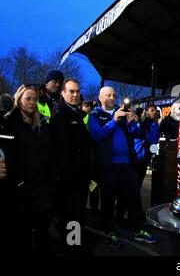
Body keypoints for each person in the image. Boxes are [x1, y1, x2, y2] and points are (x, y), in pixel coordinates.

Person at [89, 87, 159, 248]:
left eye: (114, 95)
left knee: (134, 198)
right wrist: (113, 120)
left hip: (127, 165)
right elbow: (96, 135)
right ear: (100, 98)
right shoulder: (95, 115)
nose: (112, 97)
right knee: (108, 201)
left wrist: (133, 122)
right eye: (108, 95)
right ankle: (109, 231)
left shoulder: (122, 114)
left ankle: (139, 230)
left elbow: (138, 134)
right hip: (108, 166)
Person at [1, 84, 56, 254]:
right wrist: (20, 181)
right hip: (20, 190)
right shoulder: (9, 124)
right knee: (21, 234)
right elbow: (7, 155)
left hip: (42, 188)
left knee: (42, 232)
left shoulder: (42, 125)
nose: (32, 102)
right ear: (19, 100)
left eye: (34, 99)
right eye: (28, 99)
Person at [49, 79, 92, 254]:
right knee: (71, 218)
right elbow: (60, 151)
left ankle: (74, 245)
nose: (75, 95)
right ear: (63, 93)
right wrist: (68, 178)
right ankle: (72, 249)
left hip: (79, 180)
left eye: (77, 91)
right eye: (71, 91)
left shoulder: (75, 113)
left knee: (77, 216)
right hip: (69, 182)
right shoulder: (60, 115)